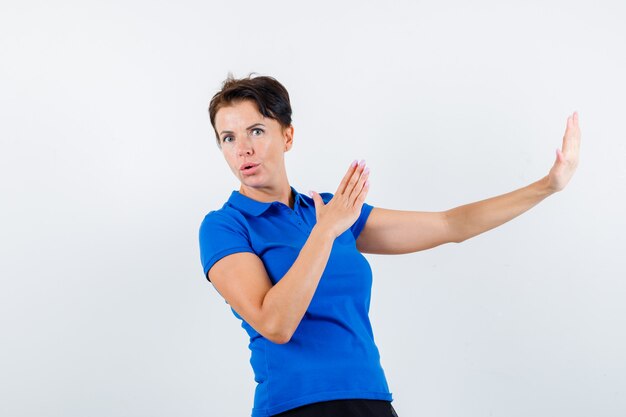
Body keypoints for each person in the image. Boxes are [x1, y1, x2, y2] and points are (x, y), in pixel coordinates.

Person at [198, 73, 581, 417]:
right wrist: (325, 232)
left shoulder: (335, 211)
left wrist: (548, 186)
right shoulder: (225, 226)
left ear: (287, 136)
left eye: (256, 131)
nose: (242, 148)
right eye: (228, 138)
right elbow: (275, 324)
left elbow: (451, 224)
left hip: (371, 401)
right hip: (294, 407)